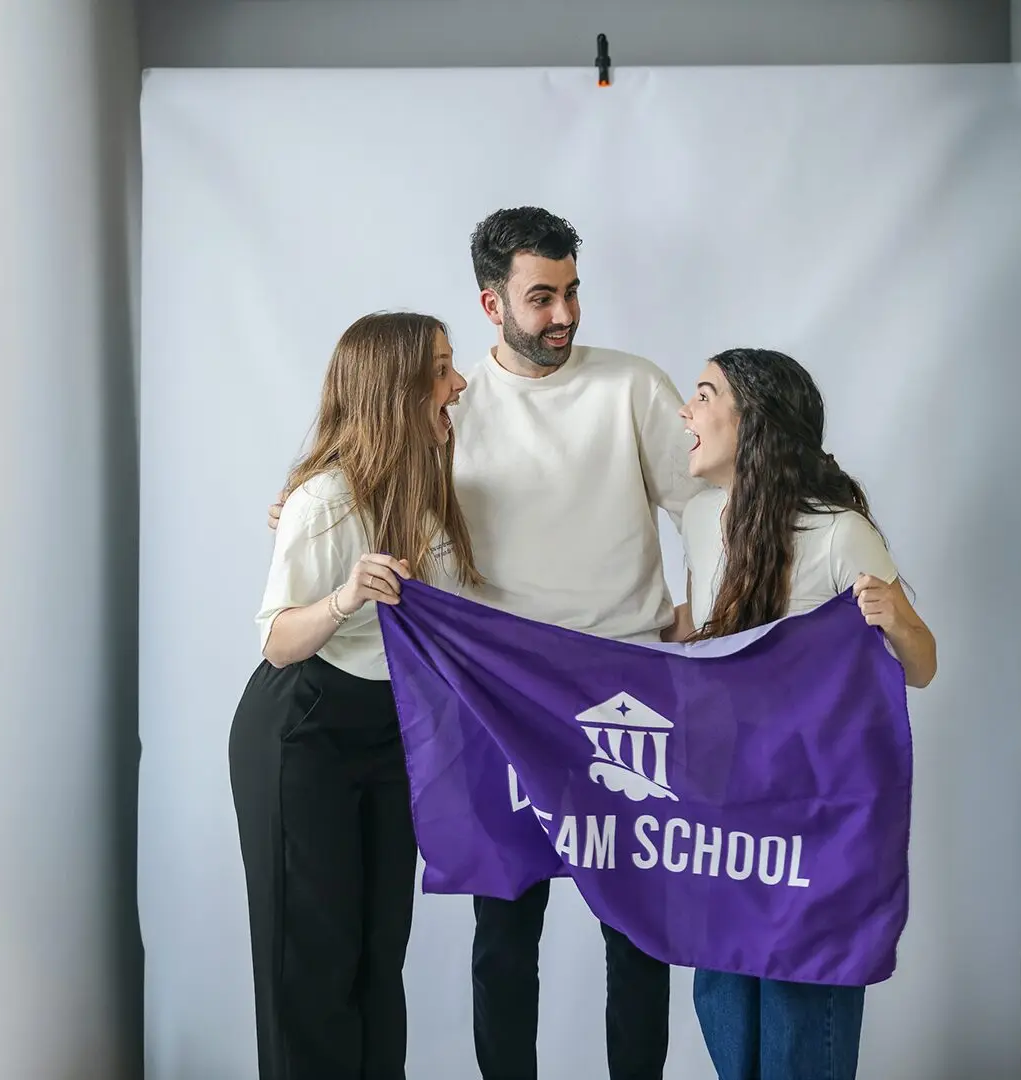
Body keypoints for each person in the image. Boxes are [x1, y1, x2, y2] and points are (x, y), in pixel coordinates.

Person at [269, 207, 705, 1080]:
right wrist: (302, 509)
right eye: (540, 297)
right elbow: (378, 483)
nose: (564, 314)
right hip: (500, 695)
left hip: (628, 685)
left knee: (638, 930)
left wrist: (704, 599)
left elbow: (703, 499)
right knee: (506, 929)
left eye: (572, 291)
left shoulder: (632, 387)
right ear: (491, 302)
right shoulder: (452, 406)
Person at [670, 346, 937, 1080]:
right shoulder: (698, 517)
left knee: (798, 1010)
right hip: (724, 805)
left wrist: (897, 621)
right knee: (726, 999)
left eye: (702, 395)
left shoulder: (837, 532)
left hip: (814, 816)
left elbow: (921, 666)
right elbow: (705, 639)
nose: (685, 412)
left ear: (749, 420)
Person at [231, 311, 480, 1080]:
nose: (459, 382)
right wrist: (344, 598)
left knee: (378, 953)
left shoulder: (429, 489)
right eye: (441, 369)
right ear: (395, 388)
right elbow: (275, 641)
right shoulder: (323, 502)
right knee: (310, 958)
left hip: (387, 730)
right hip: (303, 728)